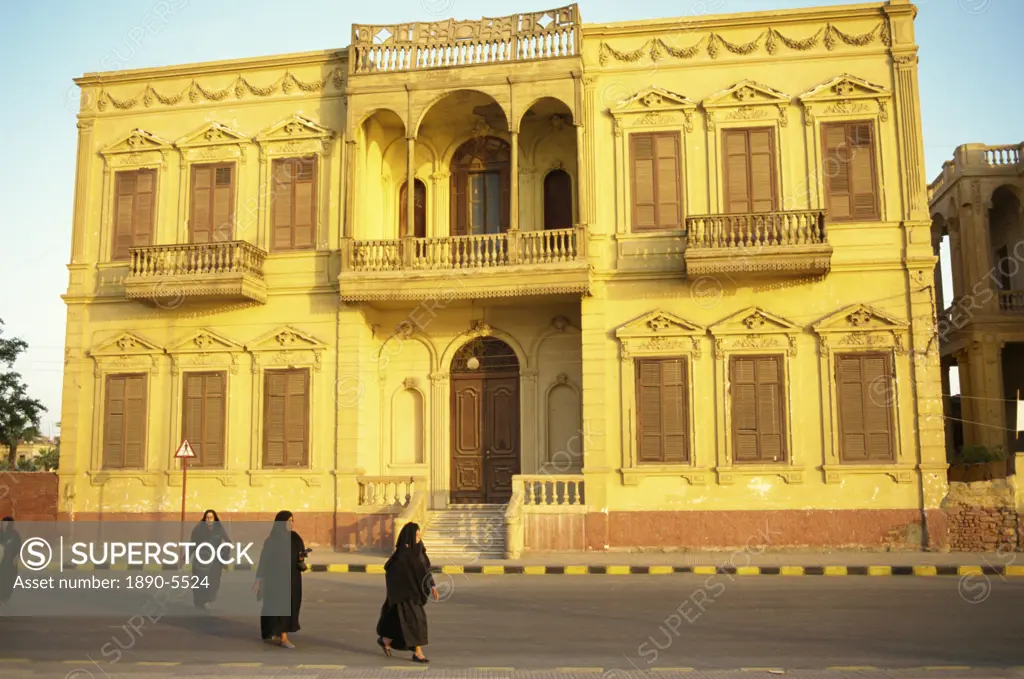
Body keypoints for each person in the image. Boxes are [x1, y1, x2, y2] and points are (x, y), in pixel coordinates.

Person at [376, 522, 439, 663]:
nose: (419, 537)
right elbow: (391, 571)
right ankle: (418, 652)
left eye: (419, 534)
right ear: (409, 536)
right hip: (404, 595)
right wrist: (399, 589)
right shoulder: (403, 555)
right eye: (416, 534)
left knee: (400, 622)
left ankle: (386, 640)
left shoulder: (419, 551)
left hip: (415, 593)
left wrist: (432, 586)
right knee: (416, 622)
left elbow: (424, 571)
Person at [254, 510, 306, 648]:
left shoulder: (295, 537)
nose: (291, 523)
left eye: (292, 520)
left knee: (291, 605)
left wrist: (302, 556)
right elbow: (264, 560)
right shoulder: (272, 540)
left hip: (293, 579)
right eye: (288, 520)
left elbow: (300, 553)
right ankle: (282, 637)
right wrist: (259, 579)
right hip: (275, 580)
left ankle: (280, 633)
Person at [190, 509, 229, 610]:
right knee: (200, 581)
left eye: (211, 517)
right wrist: (186, 556)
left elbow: (228, 541)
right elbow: (192, 544)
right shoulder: (199, 529)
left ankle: (208, 599)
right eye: (207, 517)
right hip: (201, 558)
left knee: (214, 581)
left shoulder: (219, 529)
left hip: (215, 559)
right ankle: (200, 601)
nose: (209, 519)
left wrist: (224, 555)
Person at [0, 516, 22, 610]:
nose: (4, 524)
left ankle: (5, 598)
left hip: (10, 561)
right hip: (1, 561)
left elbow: (18, 547)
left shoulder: (14, 534)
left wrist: (16, 557)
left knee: (10, 579)